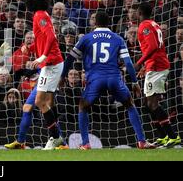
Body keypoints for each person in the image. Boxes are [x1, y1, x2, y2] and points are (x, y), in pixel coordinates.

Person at [62, 12, 155, 149]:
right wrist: (135, 82)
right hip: (114, 79)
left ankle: (86, 143)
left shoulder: (86, 38)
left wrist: (63, 76)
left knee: (83, 107)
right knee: (130, 105)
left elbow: (70, 58)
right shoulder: (117, 38)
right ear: (109, 23)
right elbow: (128, 63)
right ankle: (141, 141)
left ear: (95, 23)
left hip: (95, 80)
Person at [134, 3, 181, 148]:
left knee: (152, 104)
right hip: (154, 65)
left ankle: (172, 137)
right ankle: (163, 136)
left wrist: (139, 62)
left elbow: (153, 47)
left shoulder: (144, 26)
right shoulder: (154, 24)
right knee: (147, 104)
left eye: (136, 11)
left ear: (140, 12)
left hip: (157, 66)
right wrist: (145, 66)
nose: (134, 14)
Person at [25, 0, 66, 150]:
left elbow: (51, 37)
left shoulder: (40, 15)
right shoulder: (41, 15)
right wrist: (31, 47)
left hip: (51, 64)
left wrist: (42, 57)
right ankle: (56, 138)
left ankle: (55, 137)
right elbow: (44, 39)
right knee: (48, 101)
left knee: (39, 101)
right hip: (52, 62)